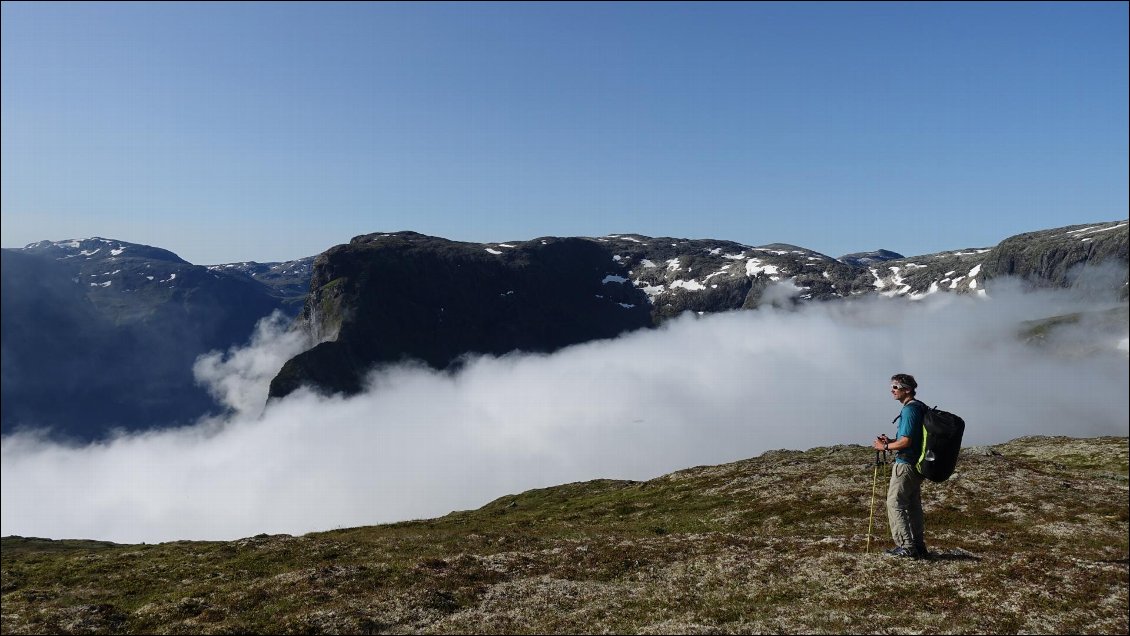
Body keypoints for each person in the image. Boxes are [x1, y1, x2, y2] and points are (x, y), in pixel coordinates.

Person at [872, 373, 929, 559]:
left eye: (896, 387)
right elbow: (911, 439)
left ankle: (906, 546)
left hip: (906, 465)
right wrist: (891, 441)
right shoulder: (920, 407)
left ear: (907, 389)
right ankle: (918, 546)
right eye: (892, 387)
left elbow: (906, 442)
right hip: (918, 464)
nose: (892, 390)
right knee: (912, 505)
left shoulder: (909, 410)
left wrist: (885, 446)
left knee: (894, 503)